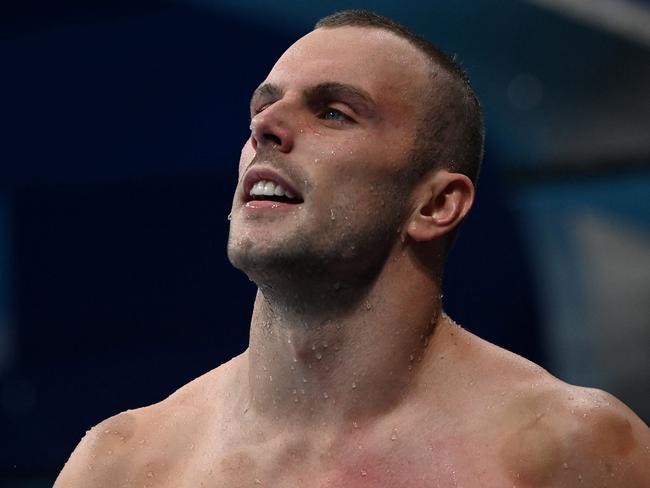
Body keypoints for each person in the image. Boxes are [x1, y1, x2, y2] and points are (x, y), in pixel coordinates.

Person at [55, 10, 649, 487]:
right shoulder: (124, 467)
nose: (266, 128)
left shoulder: (575, 452)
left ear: (436, 205)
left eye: (334, 112)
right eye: (263, 107)